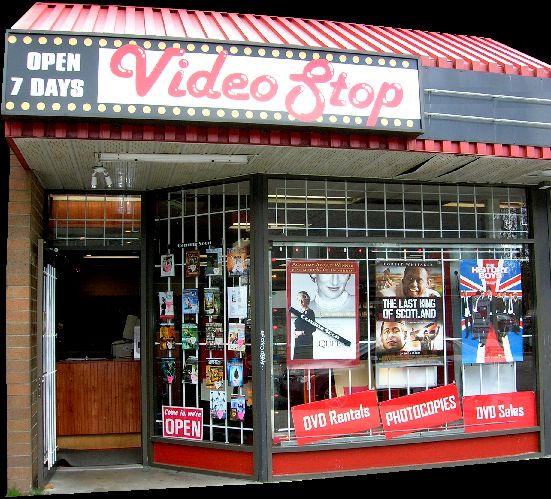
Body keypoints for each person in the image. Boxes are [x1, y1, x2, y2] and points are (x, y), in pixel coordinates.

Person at [292, 291, 317, 359]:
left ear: (306, 300)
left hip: (306, 344)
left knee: (304, 362)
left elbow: (313, 328)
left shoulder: (310, 312)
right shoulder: (300, 313)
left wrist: (301, 332)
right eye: (299, 300)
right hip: (299, 343)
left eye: (302, 300)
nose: (300, 302)